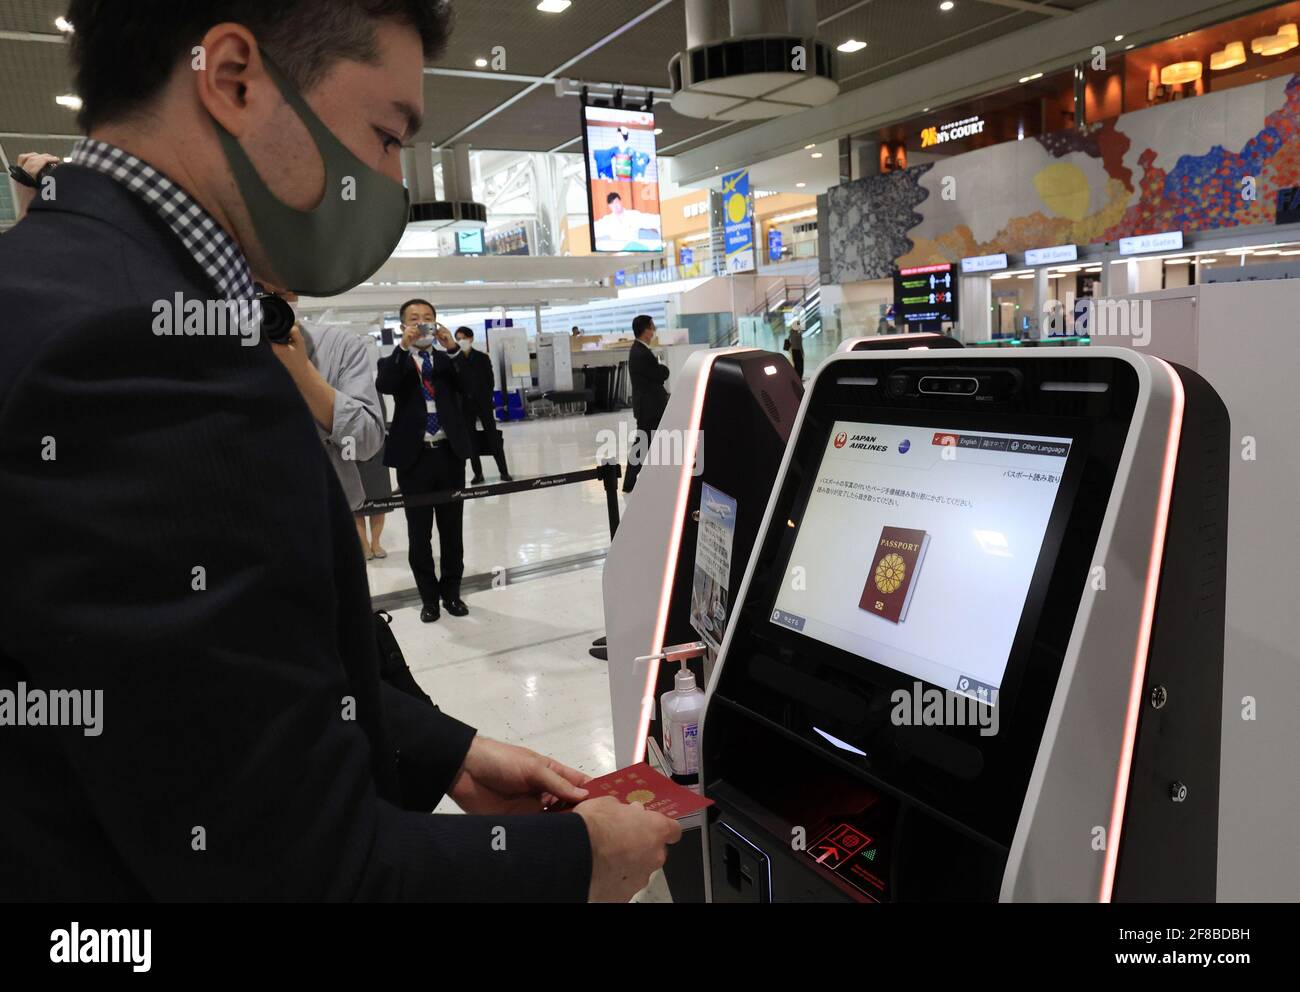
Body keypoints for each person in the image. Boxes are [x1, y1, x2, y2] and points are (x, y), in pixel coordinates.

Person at [0, 0, 678, 902]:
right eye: (387, 134)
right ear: (235, 80)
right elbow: (291, 872)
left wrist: (447, 751)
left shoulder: (46, 287)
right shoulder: (143, 355)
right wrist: (581, 862)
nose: (393, 180)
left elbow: (200, 695)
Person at [377, 300, 473, 622]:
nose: (422, 324)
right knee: (419, 535)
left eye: (428, 319)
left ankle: (452, 594)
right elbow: (385, 385)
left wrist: (455, 350)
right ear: (403, 325)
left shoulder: (448, 360)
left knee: (452, 531)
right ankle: (429, 599)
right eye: (414, 320)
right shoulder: (395, 361)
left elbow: (473, 389)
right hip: (414, 459)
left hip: (449, 455)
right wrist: (402, 348)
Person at [273, 314, 387, 558]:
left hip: (325, 524)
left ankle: (372, 543)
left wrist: (303, 371)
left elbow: (366, 442)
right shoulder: (205, 339)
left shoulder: (337, 344)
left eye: (282, 288)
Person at [454, 326, 511, 484]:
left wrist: (484, 396)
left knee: (493, 437)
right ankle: (478, 473)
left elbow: (489, 380)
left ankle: (504, 471)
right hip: (465, 405)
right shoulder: (455, 360)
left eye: (463, 338)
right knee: (471, 439)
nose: (461, 341)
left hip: (483, 403)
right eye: (458, 338)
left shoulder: (482, 358)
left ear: (471, 339)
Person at [624, 313, 669, 494]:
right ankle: (630, 482)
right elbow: (661, 374)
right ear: (645, 331)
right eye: (652, 327)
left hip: (650, 406)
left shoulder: (639, 350)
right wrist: (663, 368)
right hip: (649, 407)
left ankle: (643, 479)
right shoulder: (641, 353)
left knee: (648, 442)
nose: (654, 331)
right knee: (643, 443)